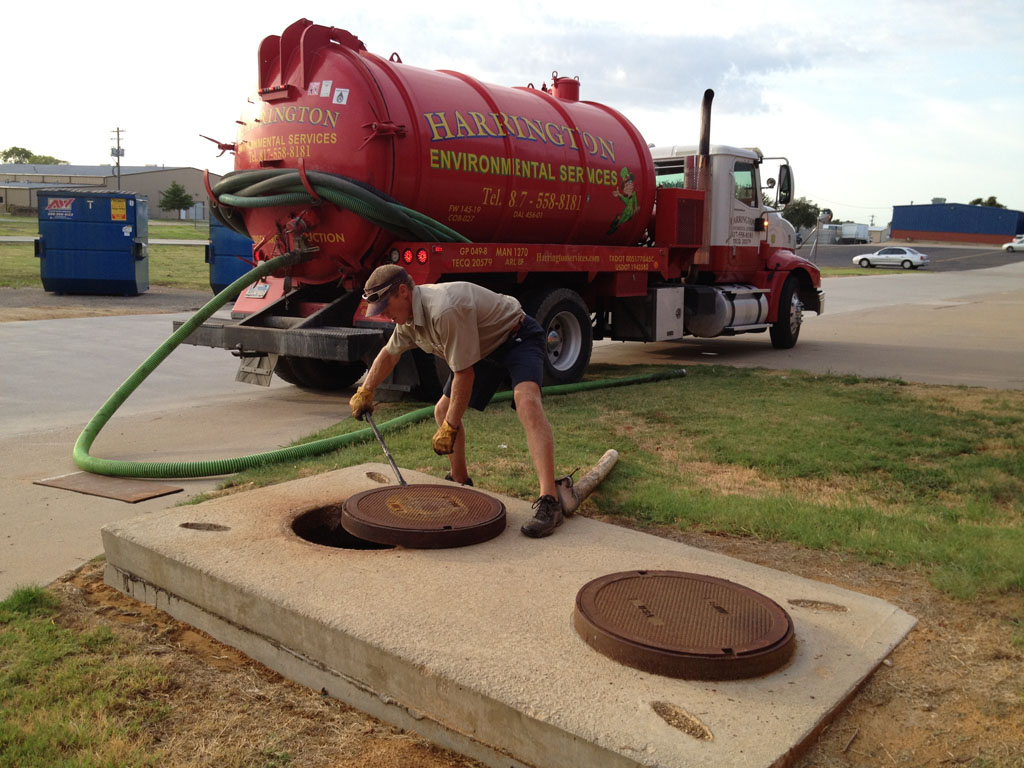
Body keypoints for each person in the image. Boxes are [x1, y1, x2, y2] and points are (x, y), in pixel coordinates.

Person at [348, 265, 565, 538]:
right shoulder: (407, 319)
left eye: (386, 307)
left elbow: (465, 373)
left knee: (527, 403)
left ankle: (550, 501)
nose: (386, 316)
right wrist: (365, 391)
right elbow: (390, 354)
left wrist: (450, 428)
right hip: (482, 345)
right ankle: (460, 481)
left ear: (403, 292)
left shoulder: (443, 310)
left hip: (516, 335)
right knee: (442, 410)